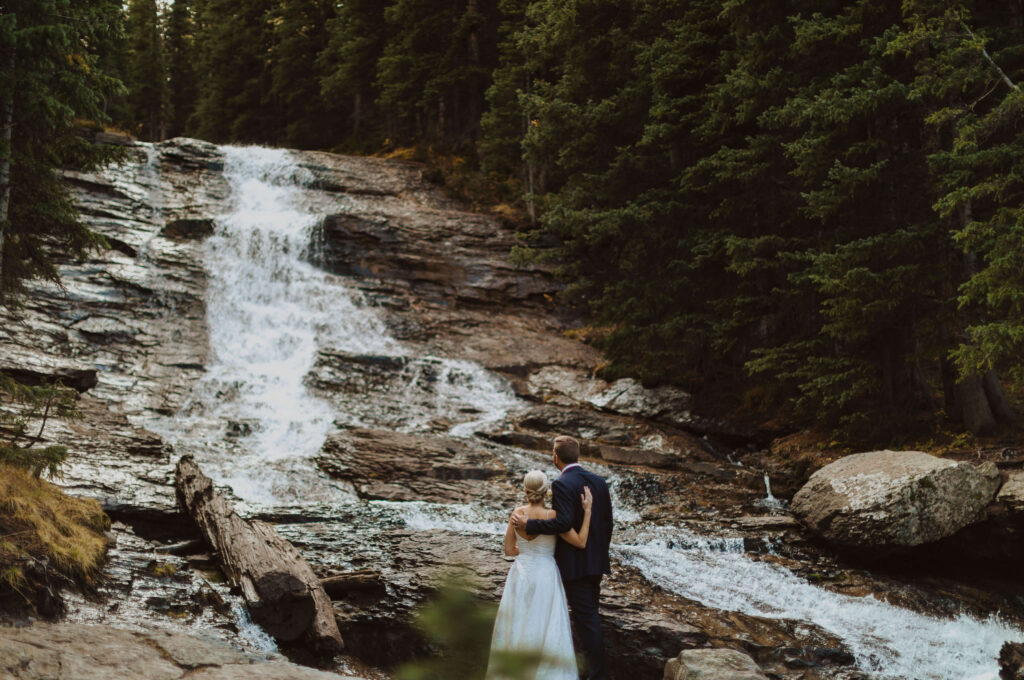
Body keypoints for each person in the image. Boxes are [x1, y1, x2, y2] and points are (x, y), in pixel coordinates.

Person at [512, 436, 613, 680]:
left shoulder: (562, 484)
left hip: (576, 565)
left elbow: (563, 522)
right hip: (596, 562)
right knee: (590, 616)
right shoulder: (600, 482)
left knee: (586, 621)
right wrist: (599, 554)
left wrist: (530, 524)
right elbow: (608, 523)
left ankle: (597, 675)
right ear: (577, 455)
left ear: (555, 457)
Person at [486, 469, 594, 680]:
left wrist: (526, 551)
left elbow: (508, 550)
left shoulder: (516, 514)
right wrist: (587, 511)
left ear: (525, 490)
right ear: (547, 492)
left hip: (521, 573)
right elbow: (581, 542)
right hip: (545, 573)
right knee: (546, 624)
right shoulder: (553, 516)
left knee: (517, 624)